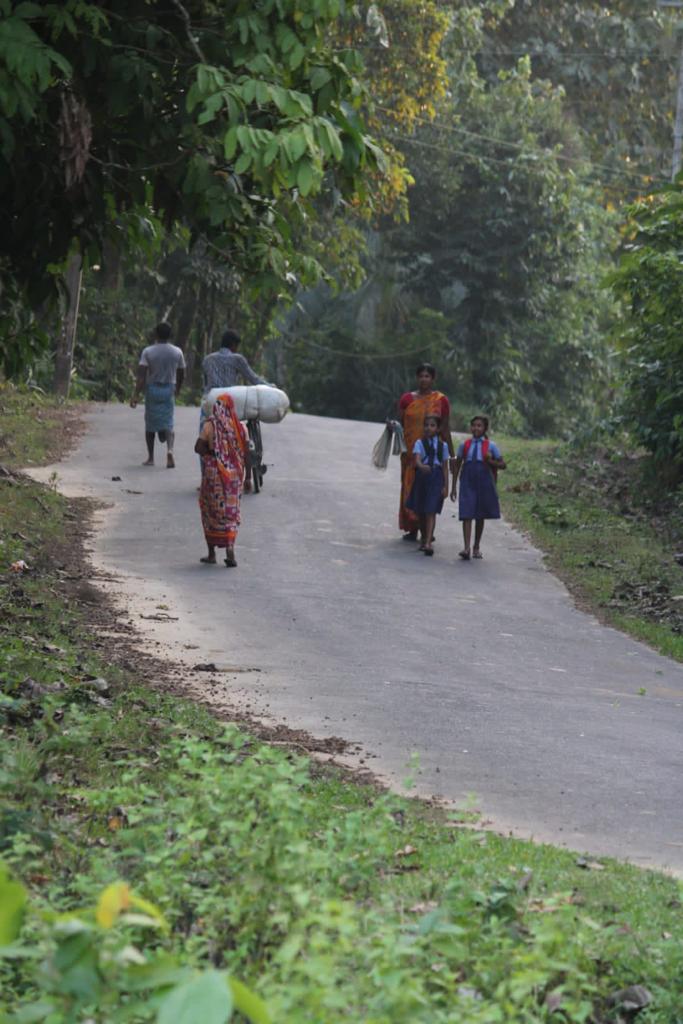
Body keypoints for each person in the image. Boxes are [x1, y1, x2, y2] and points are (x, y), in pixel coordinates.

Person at [194, 393, 252, 567]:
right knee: (230, 513)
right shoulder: (241, 427)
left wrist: (212, 454)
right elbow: (247, 454)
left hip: (214, 475)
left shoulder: (209, 425)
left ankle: (212, 554)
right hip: (234, 477)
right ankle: (230, 551)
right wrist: (248, 477)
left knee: (211, 511)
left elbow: (198, 447)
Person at [396, 363, 453, 540]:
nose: (424, 379)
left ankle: (427, 532)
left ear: (433, 379)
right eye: (421, 376)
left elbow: (445, 428)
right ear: (417, 378)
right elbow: (401, 425)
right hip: (411, 453)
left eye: (427, 376)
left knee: (429, 491)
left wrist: (452, 455)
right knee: (410, 489)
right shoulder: (407, 399)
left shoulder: (441, 400)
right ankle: (412, 528)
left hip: (433, 455)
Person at [450, 415, 506, 560]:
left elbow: (503, 465)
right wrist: (454, 486)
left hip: (484, 481)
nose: (476, 428)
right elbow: (457, 465)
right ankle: (466, 547)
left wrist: (491, 461)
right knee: (466, 513)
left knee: (480, 515)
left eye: (479, 425)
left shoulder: (491, 446)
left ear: (485, 428)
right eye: (474, 425)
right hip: (468, 480)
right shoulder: (465, 445)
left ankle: (476, 547)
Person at [130, 322, 185, 468]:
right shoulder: (177, 352)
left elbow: (141, 375)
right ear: (170, 335)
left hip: (153, 389)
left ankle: (151, 458)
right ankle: (170, 450)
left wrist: (136, 395)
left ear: (156, 334)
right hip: (169, 390)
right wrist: (178, 389)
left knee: (150, 425)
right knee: (168, 422)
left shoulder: (148, 351)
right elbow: (181, 373)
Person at [405, 415, 449, 556]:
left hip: (436, 477)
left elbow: (445, 467)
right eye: (426, 425)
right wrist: (421, 466)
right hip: (422, 477)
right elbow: (417, 459)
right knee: (421, 510)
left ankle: (429, 542)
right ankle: (424, 537)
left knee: (431, 510)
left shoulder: (443, 446)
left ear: (438, 428)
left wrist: (446, 486)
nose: (428, 428)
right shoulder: (420, 443)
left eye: (432, 425)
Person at [202, 328, 267, 394]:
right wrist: (269, 386)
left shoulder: (207, 359)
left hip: (210, 397)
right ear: (233, 344)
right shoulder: (237, 359)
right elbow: (253, 379)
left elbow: (205, 383)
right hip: (227, 398)